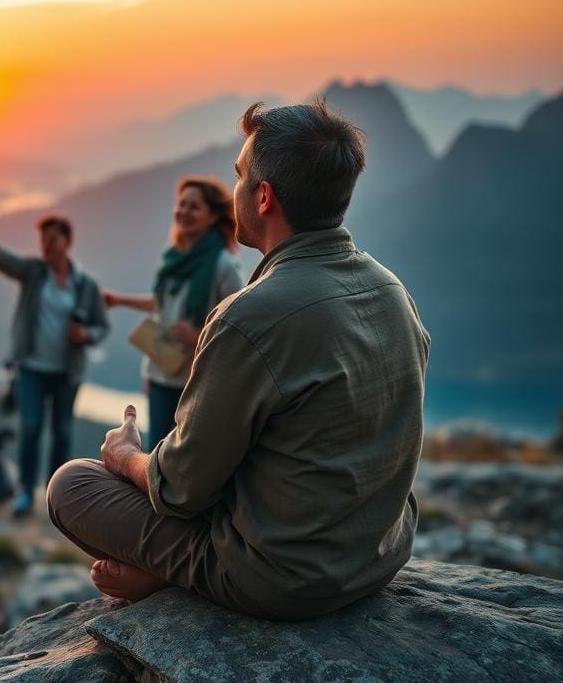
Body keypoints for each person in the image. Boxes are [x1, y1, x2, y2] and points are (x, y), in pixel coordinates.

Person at [46, 100, 431, 620]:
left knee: (71, 485)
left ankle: (172, 576)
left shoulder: (249, 318)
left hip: (284, 579)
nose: (235, 190)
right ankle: (169, 570)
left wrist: (125, 457)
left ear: (265, 197)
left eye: (240, 176)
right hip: (379, 553)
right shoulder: (391, 290)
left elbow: (179, 489)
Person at [0, 212, 109, 516]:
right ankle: (26, 490)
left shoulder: (86, 285)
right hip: (31, 369)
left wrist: (85, 334)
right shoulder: (34, 272)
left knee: (62, 432)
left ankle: (58, 494)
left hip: (67, 372)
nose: (46, 246)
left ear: (68, 242)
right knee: (31, 427)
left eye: (53, 239)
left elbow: (102, 327)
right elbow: (3, 259)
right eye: (43, 240)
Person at [103, 177, 245, 449]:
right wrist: (119, 300)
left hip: (198, 381)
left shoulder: (224, 266)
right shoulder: (172, 258)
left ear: (213, 216)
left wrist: (198, 335)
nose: (183, 212)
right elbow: (163, 306)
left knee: (190, 457)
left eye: (194, 207)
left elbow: (238, 324)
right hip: (161, 372)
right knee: (157, 452)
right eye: (181, 205)